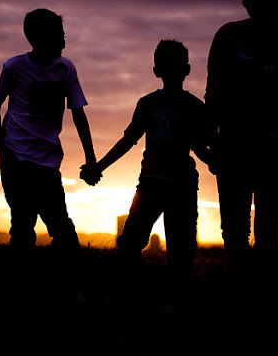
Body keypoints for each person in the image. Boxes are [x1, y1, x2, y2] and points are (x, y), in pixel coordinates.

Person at [81, 39, 211, 305]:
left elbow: (201, 146)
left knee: (182, 249)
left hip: (182, 187)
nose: (172, 70)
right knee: (130, 242)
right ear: (156, 70)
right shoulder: (147, 104)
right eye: (166, 64)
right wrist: (98, 167)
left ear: (187, 69)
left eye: (177, 64)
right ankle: (127, 298)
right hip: (150, 184)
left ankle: (175, 303)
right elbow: (128, 140)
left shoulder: (196, 107)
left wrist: (222, 164)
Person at [205, 0, 278, 277]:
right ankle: (241, 291)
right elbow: (213, 94)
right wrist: (211, 143)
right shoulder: (228, 35)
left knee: (268, 235)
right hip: (233, 149)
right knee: (234, 232)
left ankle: (263, 294)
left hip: (276, 153)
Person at [0, 9, 98, 286]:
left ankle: (70, 287)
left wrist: (91, 158)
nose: (64, 42)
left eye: (63, 35)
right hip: (15, 159)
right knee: (22, 226)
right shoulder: (14, 67)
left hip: (48, 162)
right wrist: (1, 147)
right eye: (59, 36)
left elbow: (78, 114)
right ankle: (24, 289)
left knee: (61, 227)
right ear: (37, 39)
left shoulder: (65, 69)